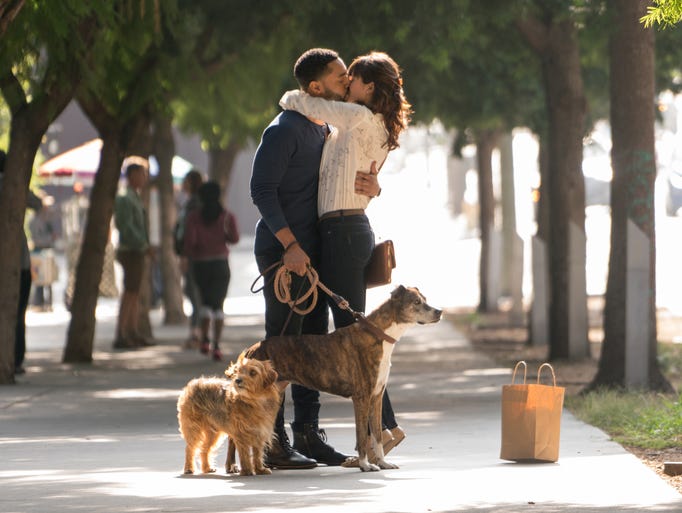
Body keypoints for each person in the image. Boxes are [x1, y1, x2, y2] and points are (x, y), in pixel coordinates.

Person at [279, 51, 413, 464]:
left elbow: (306, 103)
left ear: (369, 88)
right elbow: (363, 174)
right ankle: (383, 429)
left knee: (358, 338)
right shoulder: (373, 124)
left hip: (342, 230)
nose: (347, 83)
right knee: (359, 336)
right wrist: (377, 188)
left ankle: (383, 431)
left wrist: (289, 95)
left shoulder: (356, 118)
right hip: (347, 229)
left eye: (352, 79)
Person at [250, 48, 355, 469]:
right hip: (283, 253)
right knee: (282, 351)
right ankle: (271, 443)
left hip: (312, 256)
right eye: (340, 75)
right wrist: (290, 245)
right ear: (316, 87)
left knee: (311, 351)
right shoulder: (284, 130)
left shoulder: (325, 127)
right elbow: (262, 191)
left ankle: (308, 437)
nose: (347, 81)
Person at [182, 180, 239, 361]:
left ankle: (204, 339)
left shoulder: (193, 217)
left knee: (205, 303)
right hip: (221, 264)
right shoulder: (226, 216)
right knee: (218, 305)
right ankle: (217, 345)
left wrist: (189, 256)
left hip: (200, 265)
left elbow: (189, 243)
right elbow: (235, 238)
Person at [0, 150, 43, 375]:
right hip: (18, 260)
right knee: (17, 312)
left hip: (17, 259)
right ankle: (15, 358)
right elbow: (37, 203)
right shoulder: (13, 186)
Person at [113, 159, 155, 349]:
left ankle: (132, 331)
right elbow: (125, 226)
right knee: (130, 293)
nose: (144, 178)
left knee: (134, 293)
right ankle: (122, 333)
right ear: (132, 175)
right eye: (141, 174)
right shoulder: (125, 197)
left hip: (137, 250)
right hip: (130, 250)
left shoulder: (134, 196)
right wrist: (142, 244)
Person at [175, 169, 204, 349]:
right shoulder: (193, 202)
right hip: (197, 254)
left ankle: (196, 333)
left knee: (194, 293)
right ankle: (199, 332)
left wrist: (185, 254)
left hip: (194, 254)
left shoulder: (194, 204)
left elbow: (188, 233)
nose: (182, 185)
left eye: (185, 181)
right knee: (195, 294)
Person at [29, 197, 57, 311]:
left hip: (46, 251)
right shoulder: (35, 221)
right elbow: (37, 239)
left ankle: (48, 302)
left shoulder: (45, 220)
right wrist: (50, 239)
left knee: (48, 279)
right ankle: (39, 303)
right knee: (40, 279)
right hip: (39, 251)